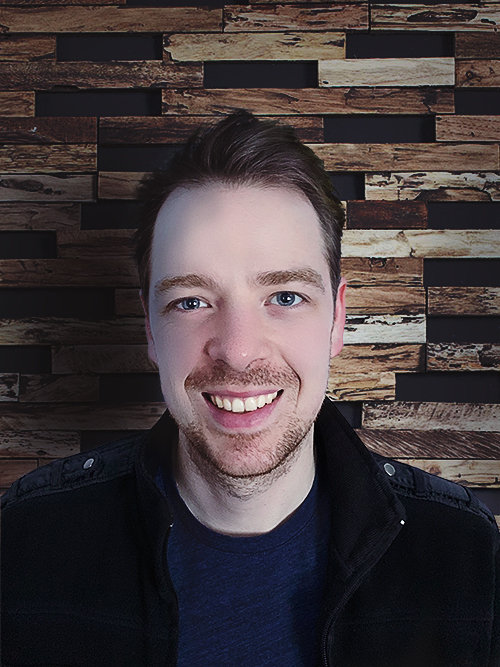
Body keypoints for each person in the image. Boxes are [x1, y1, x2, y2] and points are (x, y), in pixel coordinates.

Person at [1, 111, 498, 666]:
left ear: (337, 320)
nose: (237, 351)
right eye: (191, 301)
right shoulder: (26, 544)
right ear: (150, 329)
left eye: (285, 297)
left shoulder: (465, 557)